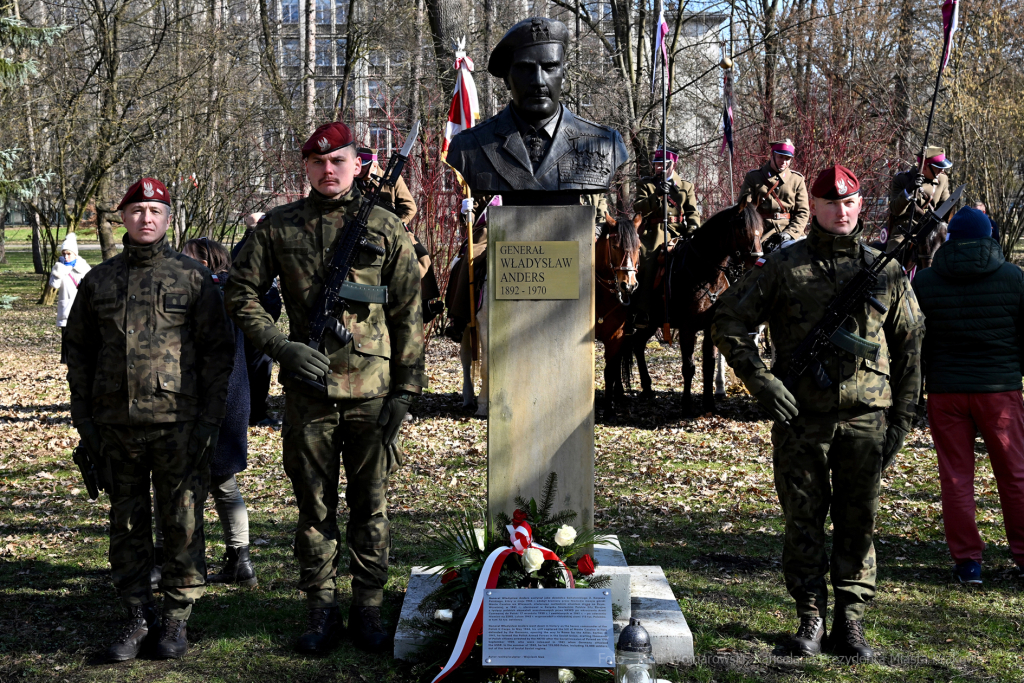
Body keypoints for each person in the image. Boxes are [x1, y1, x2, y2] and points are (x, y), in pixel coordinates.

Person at [224, 121, 426, 654]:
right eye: (318, 162)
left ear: (358, 165)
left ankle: (368, 609)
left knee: (371, 506)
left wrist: (405, 390)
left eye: (338, 160)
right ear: (306, 168)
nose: (328, 170)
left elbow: (408, 311)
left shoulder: (385, 227)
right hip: (308, 393)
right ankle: (319, 610)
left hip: (372, 393)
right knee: (314, 508)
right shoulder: (278, 227)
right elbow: (240, 292)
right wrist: (281, 345)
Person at [712, 165, 924, 662]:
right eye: (831, 203)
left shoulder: (885, 269)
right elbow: (728, 320)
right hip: (800, 420)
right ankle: (810, 617)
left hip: (866, 419)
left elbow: (911, 344)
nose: (841, 211)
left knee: (859, 522)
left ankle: (850, 621)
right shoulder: (786, 267)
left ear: (860, 205)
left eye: (849, 202)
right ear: (817, 207)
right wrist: (762, 383)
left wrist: (903, 418)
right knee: (803, 521)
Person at [63, 177, 235, 661]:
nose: (146, 218)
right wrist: (85, 421)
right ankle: (138, 616)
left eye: (155, 210)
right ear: (122, 217)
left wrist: (209, 422)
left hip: (179, 424)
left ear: (168, 218)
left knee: (181, 522)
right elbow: (78, 352)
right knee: (127, 523)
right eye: (137, 209)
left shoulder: (193, 277)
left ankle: (176, 621)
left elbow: (218, 355)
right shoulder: (99, 280)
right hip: (116, 426)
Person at [911, 207, 1024, 584]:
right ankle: (1023, 555)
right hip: (999, 391)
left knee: (957, 478)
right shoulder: (1013, 277)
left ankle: (967, 563)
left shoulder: (925, 282)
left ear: (950, 238)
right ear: (989, 235)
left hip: (947, 391)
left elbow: (915, 343)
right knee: (1015, 476)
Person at [445, 17, 628, 205]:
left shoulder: (606, 143)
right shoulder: (470, 146)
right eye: (525, 69)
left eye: (550, 67)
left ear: (563, 75)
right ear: (507, 79)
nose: (539, 81)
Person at [179, 238, 258, 588]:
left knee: (186, 483)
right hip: (234, 396)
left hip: (211, 399)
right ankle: (239, 561)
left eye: (188, 258)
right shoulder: (234, 292)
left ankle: (182, 559)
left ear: (208, 262)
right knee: (224, 483)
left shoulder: (208, 294)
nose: (181, 263)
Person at [631, 147, 701, 328]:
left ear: (672, 165)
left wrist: (693, 229)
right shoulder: (646, 184)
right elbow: (638, 208)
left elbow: (693, 212)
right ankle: (642, 310)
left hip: (679, 231)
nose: (659, 168)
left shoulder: (685, 186)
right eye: (656, 165)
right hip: (655, 232)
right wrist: (657, 195)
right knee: (648, 259)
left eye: (663, 165)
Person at [231, 213, 283, 428]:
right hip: (255, 320)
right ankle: (256, 413)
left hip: (256, 318)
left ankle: (253, 410)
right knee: (259, 367)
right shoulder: (253, 249)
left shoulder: (242, 247)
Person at [738, 138, 809, 249]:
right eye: (780, 157)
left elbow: (803, 212)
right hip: (762, 232)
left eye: (787, 158)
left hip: (791, 232)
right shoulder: (754, 177)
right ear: (772, 156)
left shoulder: (797, 180)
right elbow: (745, 209)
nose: (784, 162)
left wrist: (790, 233)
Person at [886, 145, 951, 250]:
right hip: (906, 232)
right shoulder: (902, 179)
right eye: (938, 167)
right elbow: (895, 210)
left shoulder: (942, 180)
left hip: (932, 231)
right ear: (925, 166)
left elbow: (945, 208)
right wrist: (908, 190)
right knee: (892, 260)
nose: (942, 170)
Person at [48, 232, 91, 364]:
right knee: (67, 341)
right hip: (66, 309)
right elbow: (54, 285)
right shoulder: (60, 269)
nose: (66, 257)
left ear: (75, 254)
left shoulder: (84, 268)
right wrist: (58, 271)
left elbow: (90, 287)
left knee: (81, 340)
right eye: (63, 254)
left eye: (69, 254)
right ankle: (68, 367)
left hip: (81, 310)